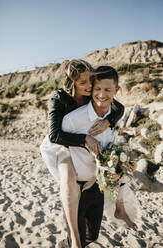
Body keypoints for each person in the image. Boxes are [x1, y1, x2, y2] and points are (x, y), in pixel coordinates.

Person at [40, 60, 124, 248]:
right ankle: (74, 239)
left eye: (90, 80)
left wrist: (109, 121)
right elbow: (54, 135)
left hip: (80, 145)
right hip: (61, 144)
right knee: (69, 176)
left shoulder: (93, 95)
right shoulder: (58, 98)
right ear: (72, 83)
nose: (89, 86)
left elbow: (119, 107)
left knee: (92, 232)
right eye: (82, 82)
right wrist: (85, 139)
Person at [61, 65, 137, 247]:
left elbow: (115, 159)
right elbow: (55, 147)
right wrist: (66, 176)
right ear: (91, 89)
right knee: (75, 240)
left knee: (91, 236)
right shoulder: (72, 120)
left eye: (108, 90)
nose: (102, 95)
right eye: (98, 89)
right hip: (77, 191)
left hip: (98, 189)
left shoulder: (114, 118)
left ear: (116, 90)